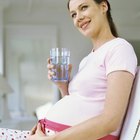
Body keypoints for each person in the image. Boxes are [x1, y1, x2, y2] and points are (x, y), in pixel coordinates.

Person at [0, 0, 137, 140]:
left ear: (103, 6)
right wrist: (63, 86)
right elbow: (82, 105)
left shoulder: (119, 48)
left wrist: (51, 139)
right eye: (73, 14)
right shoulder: (88, 59)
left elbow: (111, 120)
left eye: (84, 7)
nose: (78, 17)